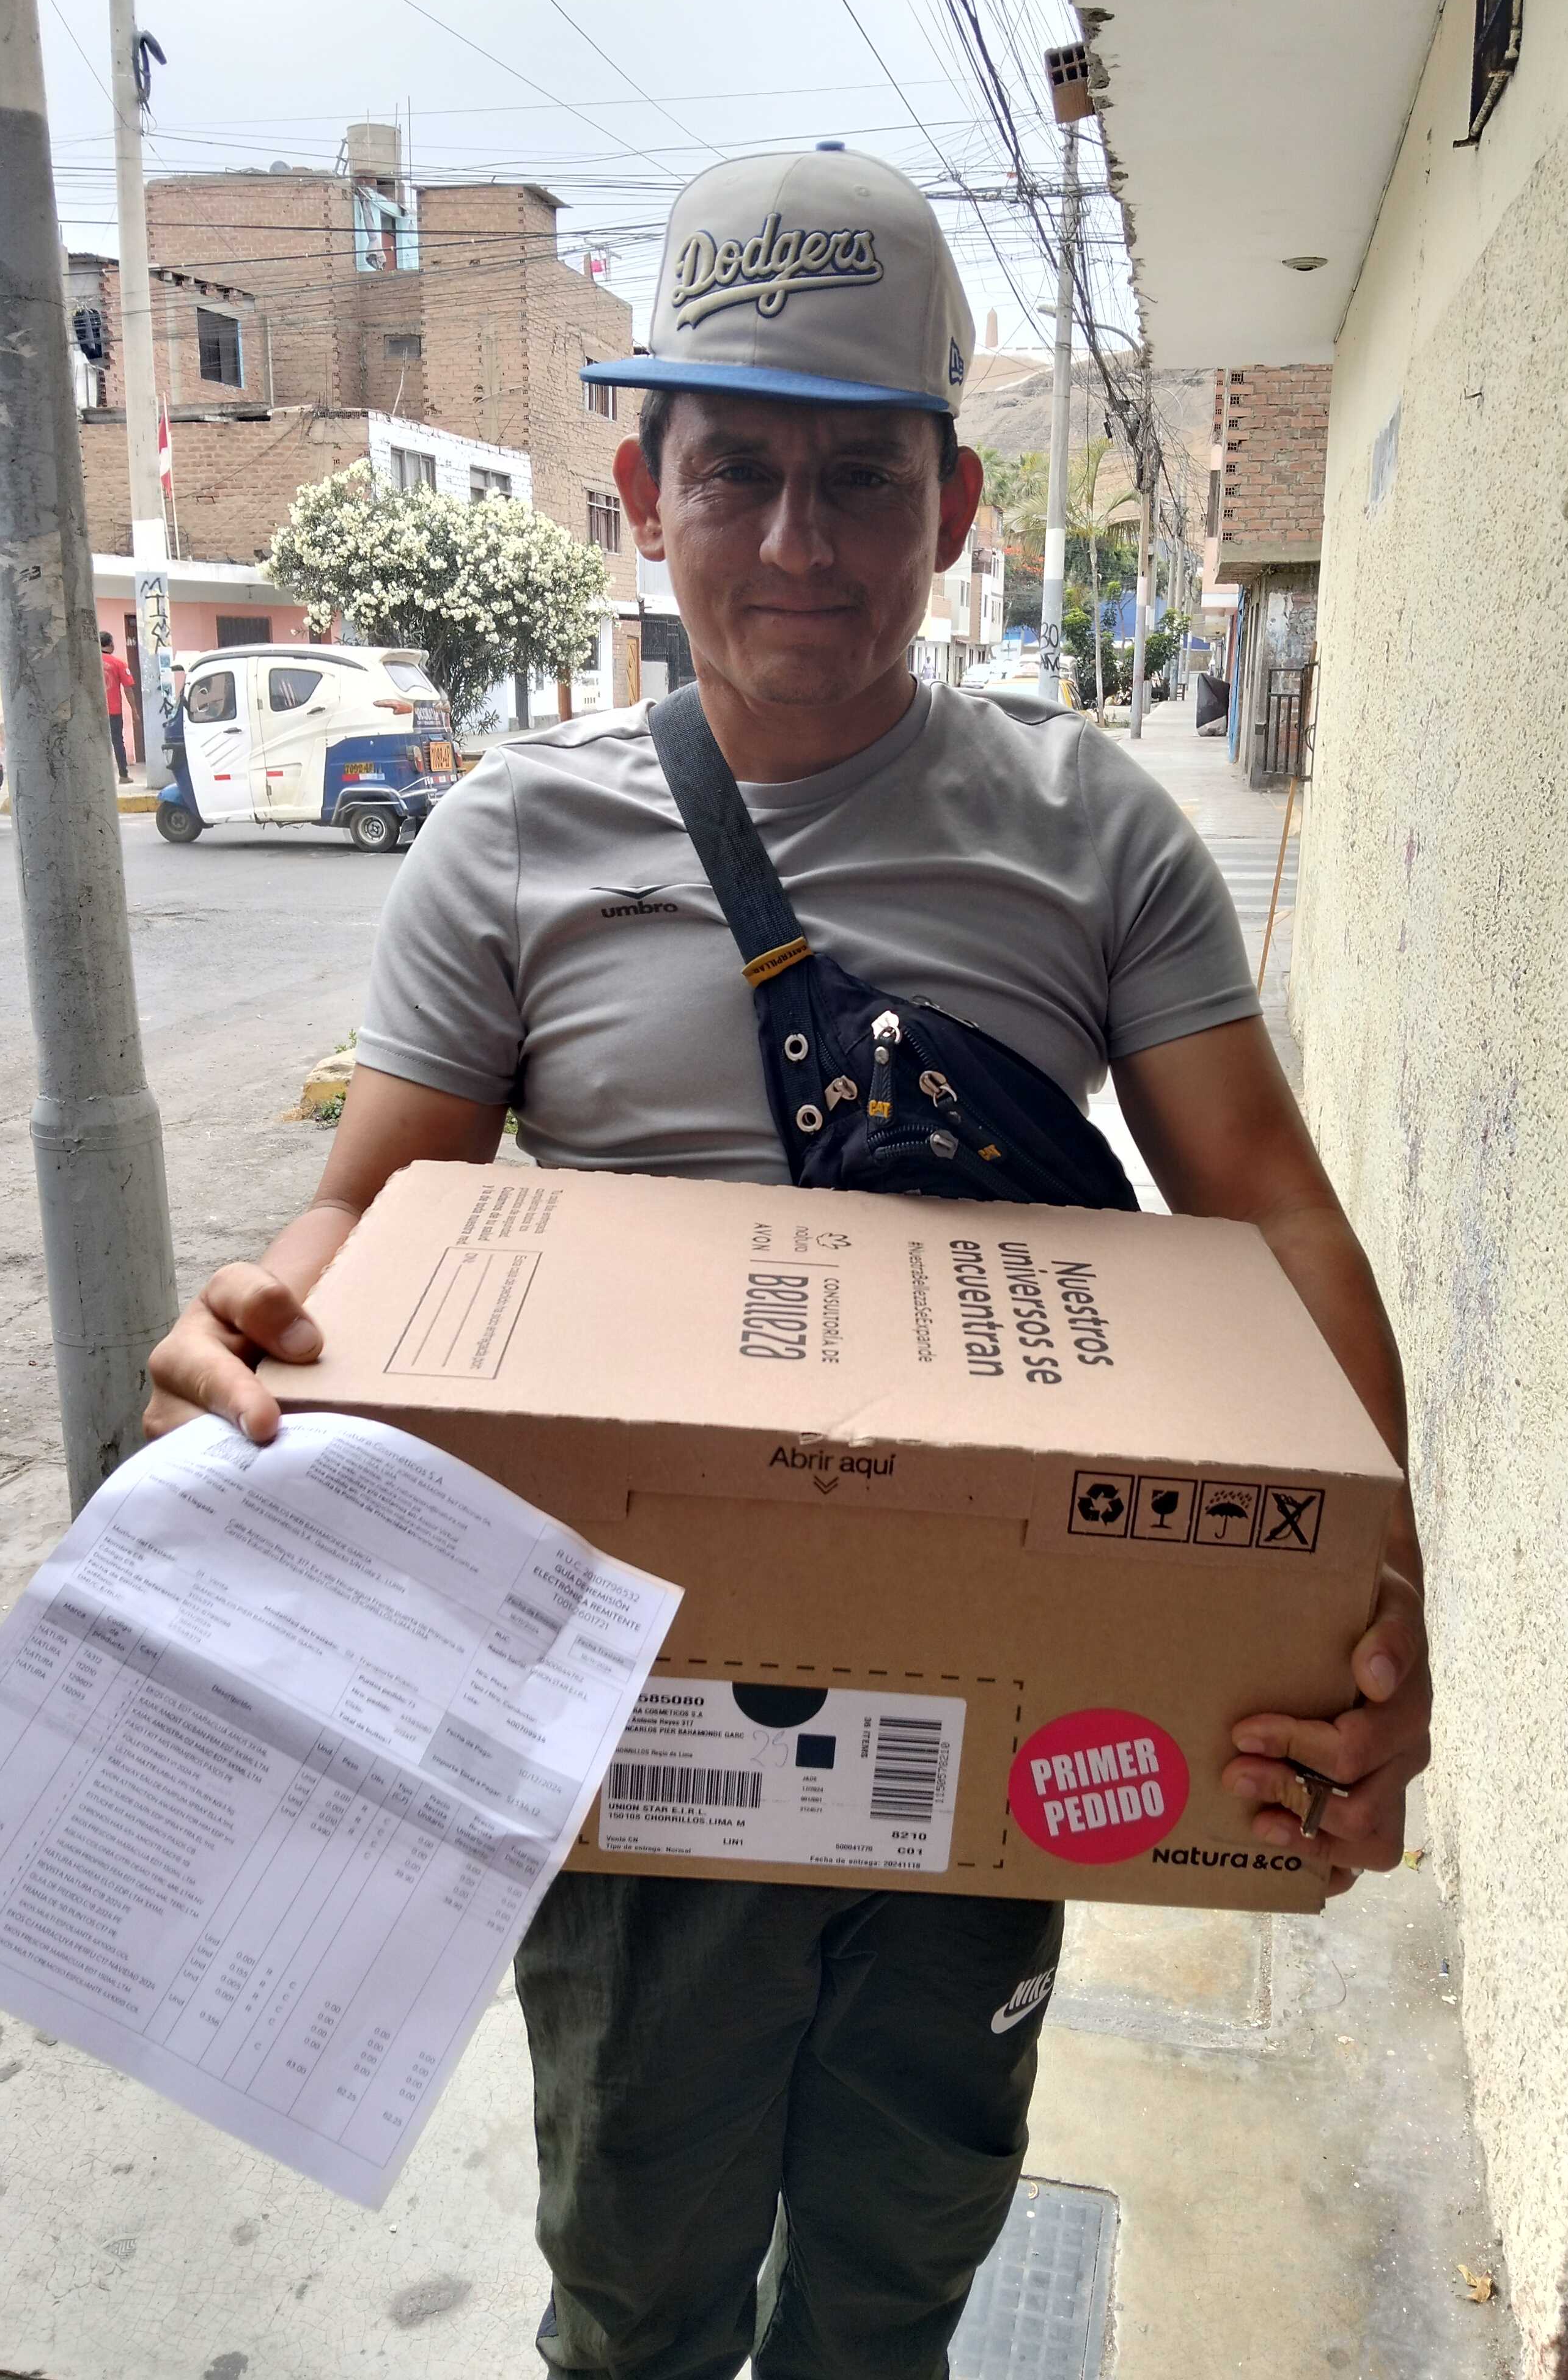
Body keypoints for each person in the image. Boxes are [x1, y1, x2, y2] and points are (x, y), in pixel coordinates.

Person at [145, 147, 1431, 2379]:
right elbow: (378, 1202)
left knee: (902, 2256)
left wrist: (1376, 1613)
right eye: (737, 471)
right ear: (645, 496)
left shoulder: (1089, 831)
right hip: (626, 1704)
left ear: (952, 510)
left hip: (993, 1684)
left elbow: (1270, 1207)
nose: (798, 543)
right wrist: (258, 1316)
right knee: (637, 2273)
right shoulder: (509, 836)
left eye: (861, 478)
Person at [98, 630, 139, 782]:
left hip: (95, 711)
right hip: (113, 711)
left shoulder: (90, 663)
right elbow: (128, 689)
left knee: (96, 742)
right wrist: (134, 711)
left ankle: (100, 777)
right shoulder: (119, 663)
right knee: (117, 741)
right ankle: (123, 775)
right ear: (111, 644)